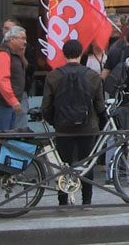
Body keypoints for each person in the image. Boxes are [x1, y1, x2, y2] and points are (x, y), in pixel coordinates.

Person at [41, 40, 105, 206]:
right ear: (81, 53)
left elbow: (46, 106)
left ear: (64, 54)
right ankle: (87, 201)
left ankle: (63, 200)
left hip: (63, 127)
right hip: (88, 126)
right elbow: (99, 105)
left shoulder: (53, 76)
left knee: (64, 164)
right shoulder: (92, 75)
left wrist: (54, 121)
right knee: (87, 164)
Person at [0, 18, 35, 130]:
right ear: (12, 39)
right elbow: (1, 79)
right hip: (2, 104)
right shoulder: (3, 53)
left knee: (11, 136)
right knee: (2, 139)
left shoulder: (14, 54)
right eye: (22, 38)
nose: (25, 42)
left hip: (8, 104)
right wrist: (12, 100)